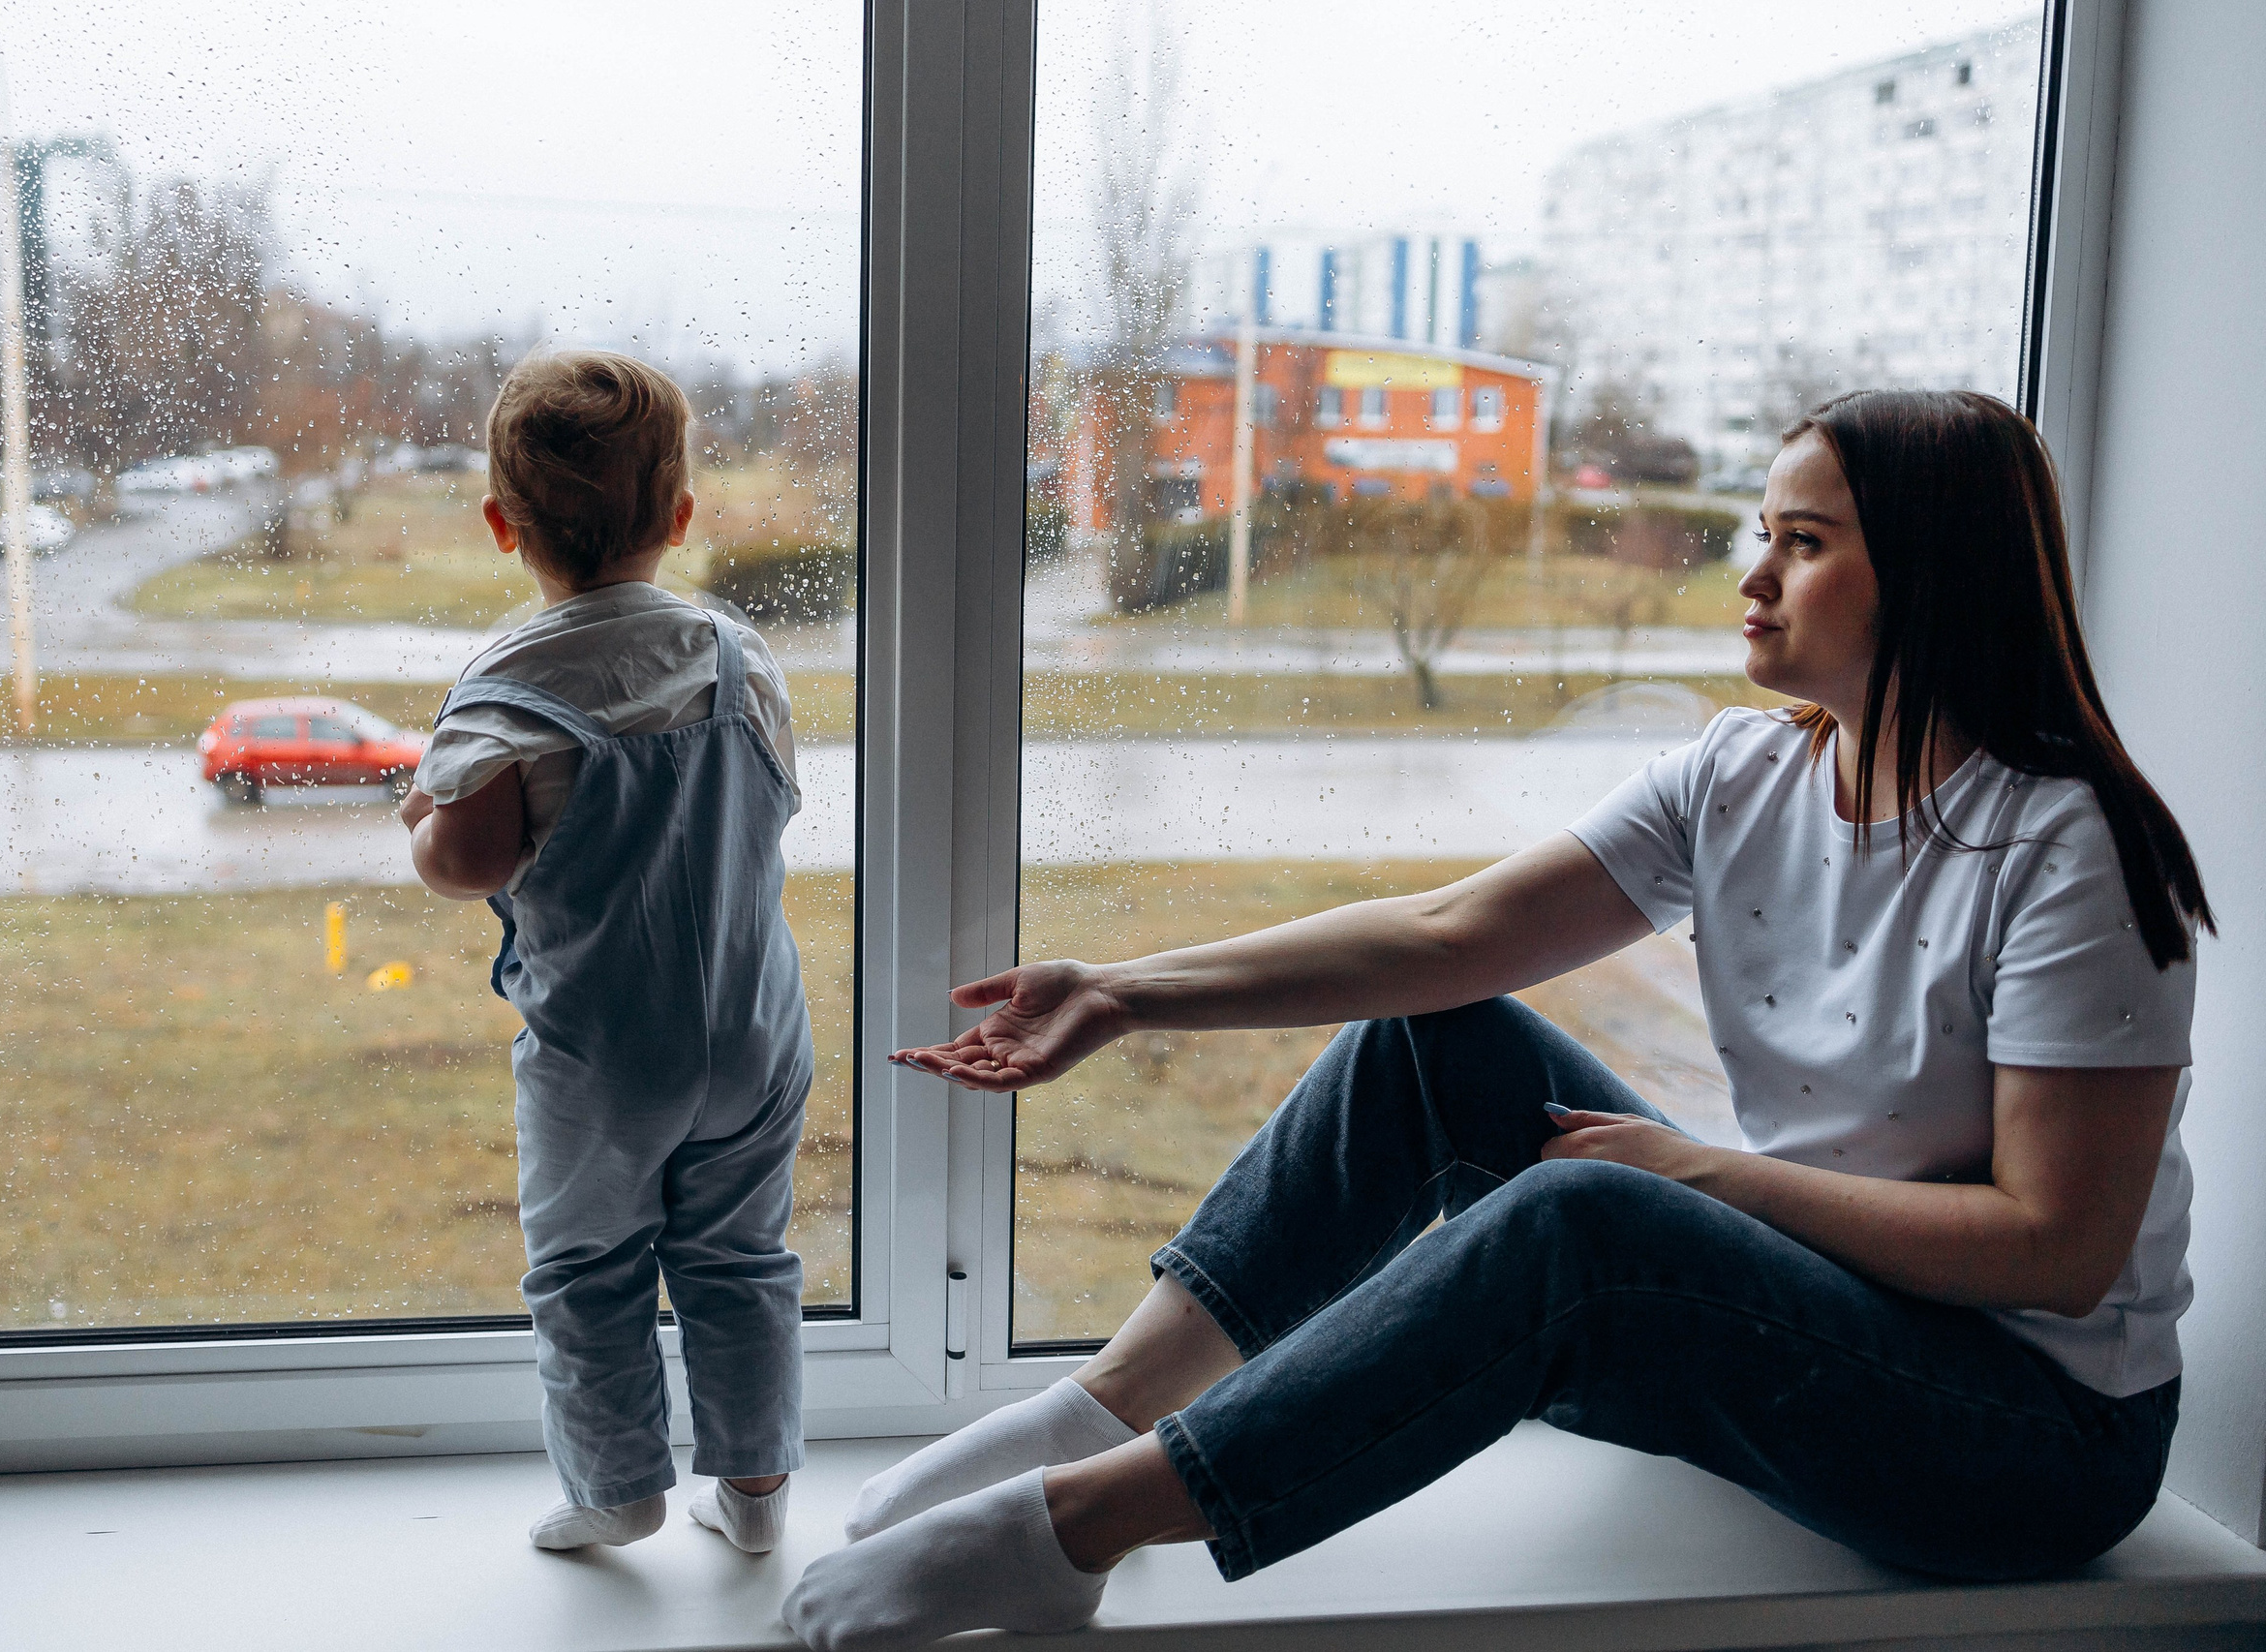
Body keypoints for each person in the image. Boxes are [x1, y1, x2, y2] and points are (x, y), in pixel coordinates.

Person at [781, 389, 2214, 1649]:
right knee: (1436, 1036)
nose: (1752, 574)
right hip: (1824, 1318)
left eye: (1804, 541)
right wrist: (1122, 989)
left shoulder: (2066, 850)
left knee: (1590, 1216)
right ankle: (1101, 1408)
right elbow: (1445, 938)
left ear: (1935, 574)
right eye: (1761, 532)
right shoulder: (1742, 775)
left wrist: (1701, 1177)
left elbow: (2058, 1249)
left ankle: (1077, 1526)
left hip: (2029, 1443)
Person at [400, 351, 811, 1557]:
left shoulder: (510, 680)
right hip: (753, 1026)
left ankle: (617, 1485)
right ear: (679, 516)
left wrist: (421, 819)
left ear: (501, 524)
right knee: (740, 1257)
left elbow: (469, 859)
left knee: (588, 1265)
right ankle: (756, 1493)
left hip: (603, 1048)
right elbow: (770, 800)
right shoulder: (738, 655)